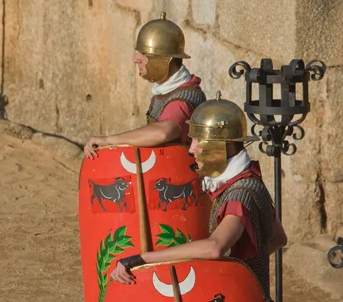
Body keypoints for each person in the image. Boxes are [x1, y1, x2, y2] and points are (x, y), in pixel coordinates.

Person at [110, 93, 288, 299]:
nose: (192, 149)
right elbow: (277, 238)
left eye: (198, 140)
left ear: (225, 145)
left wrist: (143, 258)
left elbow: (215, 247)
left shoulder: (239, 195)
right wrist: (239, 268)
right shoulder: (251, 181)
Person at [84, 12, 205, 159]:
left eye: (144, 53)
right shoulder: (171, 90)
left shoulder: (180, 101)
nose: (136, 59)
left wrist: (108, 140)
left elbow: (162, 133)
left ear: (162, 60)